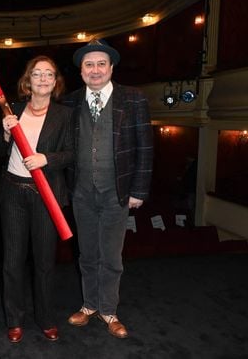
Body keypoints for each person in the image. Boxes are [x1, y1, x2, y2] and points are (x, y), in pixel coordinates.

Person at [63, 39, 154, 339]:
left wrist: (139, 190)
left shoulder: (134, 99)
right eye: (89, 64)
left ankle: (109, 311)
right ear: (81, 71)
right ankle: (89, 306)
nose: (96, 69)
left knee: (112, 257)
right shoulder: (70, 101)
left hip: (118, 192)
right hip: (81, 192)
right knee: (87, 254)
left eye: (101, 63)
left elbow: (145, 147)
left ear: (111, 67)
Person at [0, 55, 74, 343]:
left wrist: (46, 159)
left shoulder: (64, 115)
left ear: (55, 82)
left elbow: (71, 153)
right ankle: (14, 319)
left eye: (49, 74)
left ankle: (45, 318)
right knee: (13, 261)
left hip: (46, 195)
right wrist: (5, 135)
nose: (43, 78)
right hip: (13, 192)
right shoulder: (13, 110)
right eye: (37, 74)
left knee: (44, 263)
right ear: (27, 81)